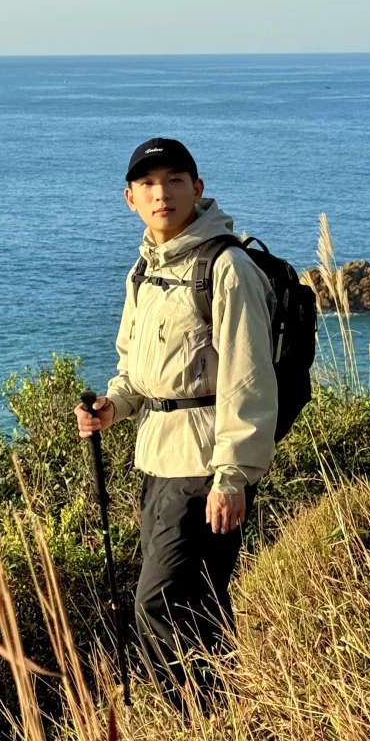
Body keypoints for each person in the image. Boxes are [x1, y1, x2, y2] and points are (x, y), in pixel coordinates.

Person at [75, 137, 279, 708]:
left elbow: (248, 378)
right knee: (201, 602)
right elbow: (135, 366)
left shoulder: (226, 267)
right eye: (147, 184)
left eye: (174, 180)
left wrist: (232, 476)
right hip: (158, 459)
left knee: (157, 603)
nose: (161, 193)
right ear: (129, 198)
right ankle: (231, 722)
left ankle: (195, 723)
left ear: (198, 188)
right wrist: (115, 405)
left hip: (205, 465)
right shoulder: (145, 270)